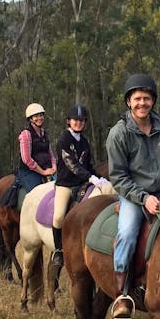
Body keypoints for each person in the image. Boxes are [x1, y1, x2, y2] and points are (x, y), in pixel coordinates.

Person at [106, 74, 160, 319]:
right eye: (137, 99)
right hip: (134, 195)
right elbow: (119, 177)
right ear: (128, 102)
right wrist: (144, 198)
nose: (142, 103)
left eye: (146, 98)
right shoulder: (118, 134)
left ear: (153, 101)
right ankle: (122, 294)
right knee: (128, 233)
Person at [51, 104, 108, 267]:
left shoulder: (84, 141)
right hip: (66, 184)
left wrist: (99, 178)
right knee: (58, 216)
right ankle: (58, 250)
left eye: (82, 120)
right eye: (75, 120)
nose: (78, 123)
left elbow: (87, 164)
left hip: (82, 183)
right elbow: (72, 165)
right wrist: (91, 177)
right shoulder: (63, 139)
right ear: (69, 121)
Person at [15, 103, 57, 194]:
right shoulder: (26, 134)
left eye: (41, 115)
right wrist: (43, 172)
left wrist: (54, 167)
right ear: (30, 119)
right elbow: (27, 159)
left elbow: (51, 155)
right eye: (36, 116)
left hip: (47, 169)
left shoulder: (44, 133)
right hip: (29, 172)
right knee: (38, 194)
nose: (39, 118)